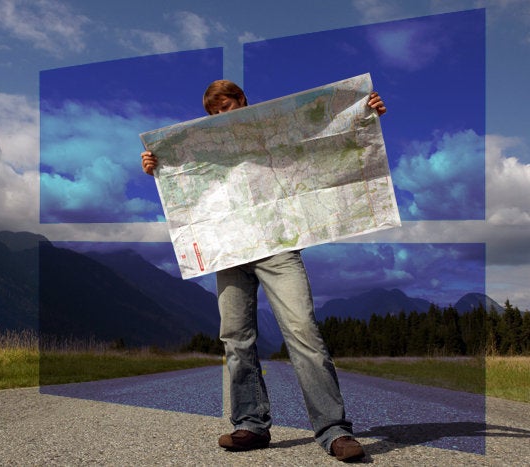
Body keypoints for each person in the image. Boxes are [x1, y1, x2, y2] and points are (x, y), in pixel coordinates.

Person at [141, 80, 387, 462]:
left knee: (303, 330)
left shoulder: (271, 131)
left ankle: (334, 430)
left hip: (276, 245)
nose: (223, 116)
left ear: (242, 102)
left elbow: (316, 143)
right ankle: (250, 426)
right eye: (215, 113)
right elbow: (189, 185)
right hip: (229, 251)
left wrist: (361, 113)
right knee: (236, 337)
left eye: (228, 107)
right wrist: (158, 168)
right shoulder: (206, 149)